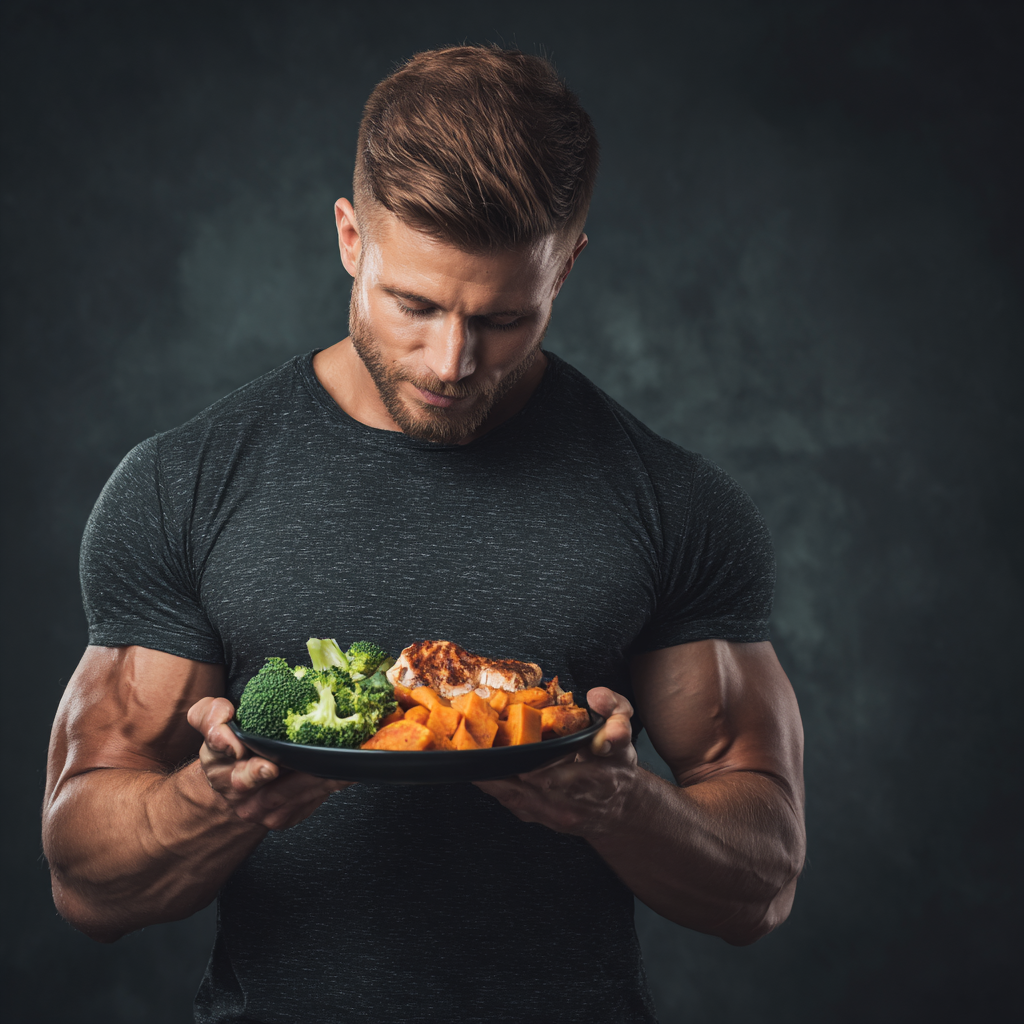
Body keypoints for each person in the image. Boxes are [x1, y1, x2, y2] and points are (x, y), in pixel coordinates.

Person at [43, 44, 805, 1024]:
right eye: (414, 304)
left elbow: (761, 886)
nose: (451, 360)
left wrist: (626, 807)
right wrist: (216, 800)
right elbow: (85, 883)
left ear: (567, 266)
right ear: (350, 238)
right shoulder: (181, 486)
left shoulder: (674, 502)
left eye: (503, 317)